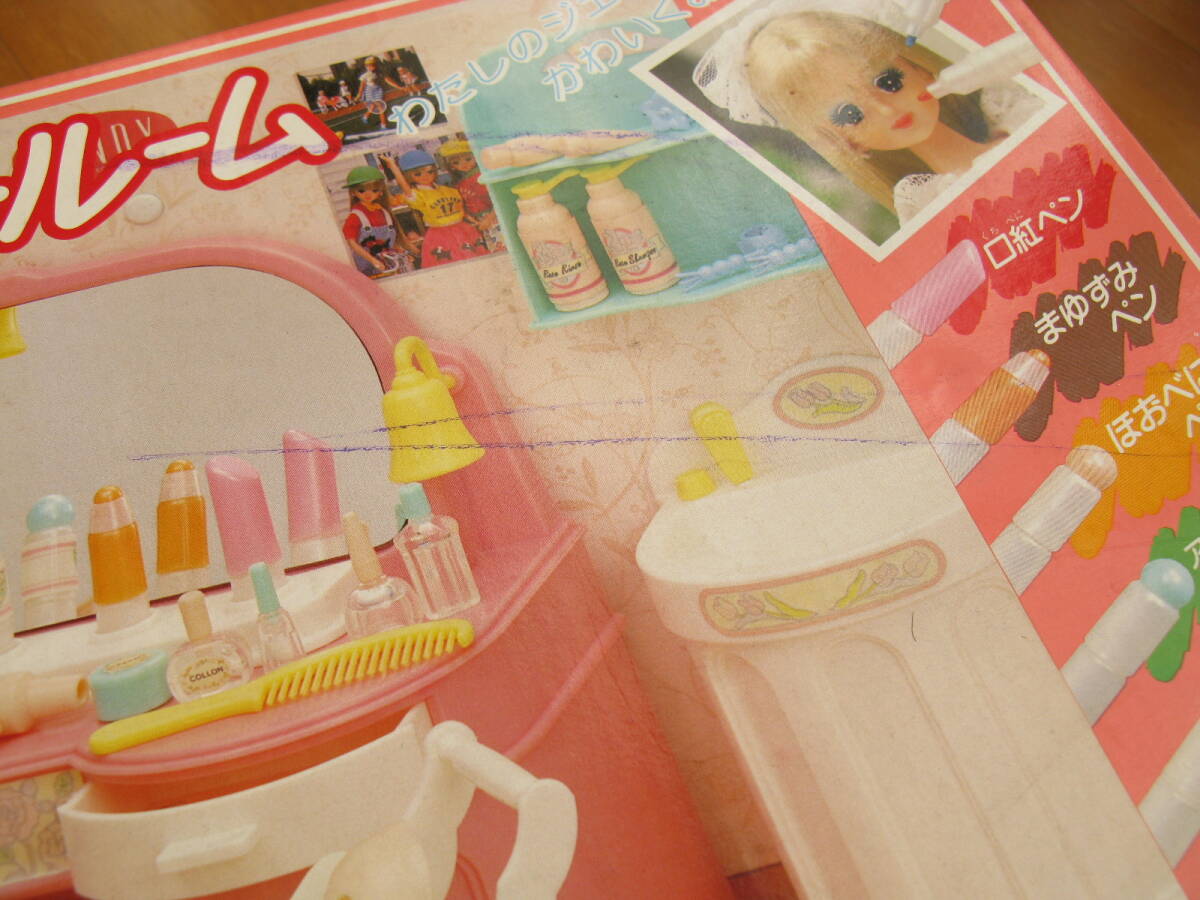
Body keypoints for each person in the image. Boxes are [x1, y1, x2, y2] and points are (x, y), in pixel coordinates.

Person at [694, 2, 1040, 222]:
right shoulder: (928, 202)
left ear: (918, 68)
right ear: (844, 141)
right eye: (849, 115)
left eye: (888, 80)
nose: (885, 108)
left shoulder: (1014, 106)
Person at [382, 150, 488, 268]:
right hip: (440, 233)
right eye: (418, 174)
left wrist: (472, 220)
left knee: (476, 260)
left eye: (430, 171)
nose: (425, 176)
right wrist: (393, 167)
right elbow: (405, 187)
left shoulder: (449, 190)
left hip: (463, 229)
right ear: (409, 176)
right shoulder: (418, 194)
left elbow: (459, 209)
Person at [341, 165, 412, 277]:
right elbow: (352, 243)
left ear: (381, 192)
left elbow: (389, 242)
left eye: (374, 190)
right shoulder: (355, 216)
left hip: (389, 262)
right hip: (367, 265)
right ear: (353, 192)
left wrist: (401, 253)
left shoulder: (384, 212)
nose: (368, 194)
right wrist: (372, 260)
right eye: (361, 190)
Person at [437, 140, 504, 252]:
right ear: (451, 166)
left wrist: (490, 218)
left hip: (495, 217)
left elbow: (499, 199)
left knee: (502, 247)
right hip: (479, 222)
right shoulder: (459, 183)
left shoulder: (482, 176)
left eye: (468, 159)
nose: (463, 164)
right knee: (493, 249)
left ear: (476, 157)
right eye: (456, 162)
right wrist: (470, 218)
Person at [356, 56, 390, 131]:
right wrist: (359, 95)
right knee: (381, 107)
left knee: (373, 106)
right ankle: (383, 126)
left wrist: (398, 87)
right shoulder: (365, 75)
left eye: (373, 65)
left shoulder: (379, 73)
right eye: (368, 65)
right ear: (366, 66)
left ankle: (365, 117)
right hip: (370, 91)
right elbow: (362, 86)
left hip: (378, 90)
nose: (371, 67)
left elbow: (386, 79)